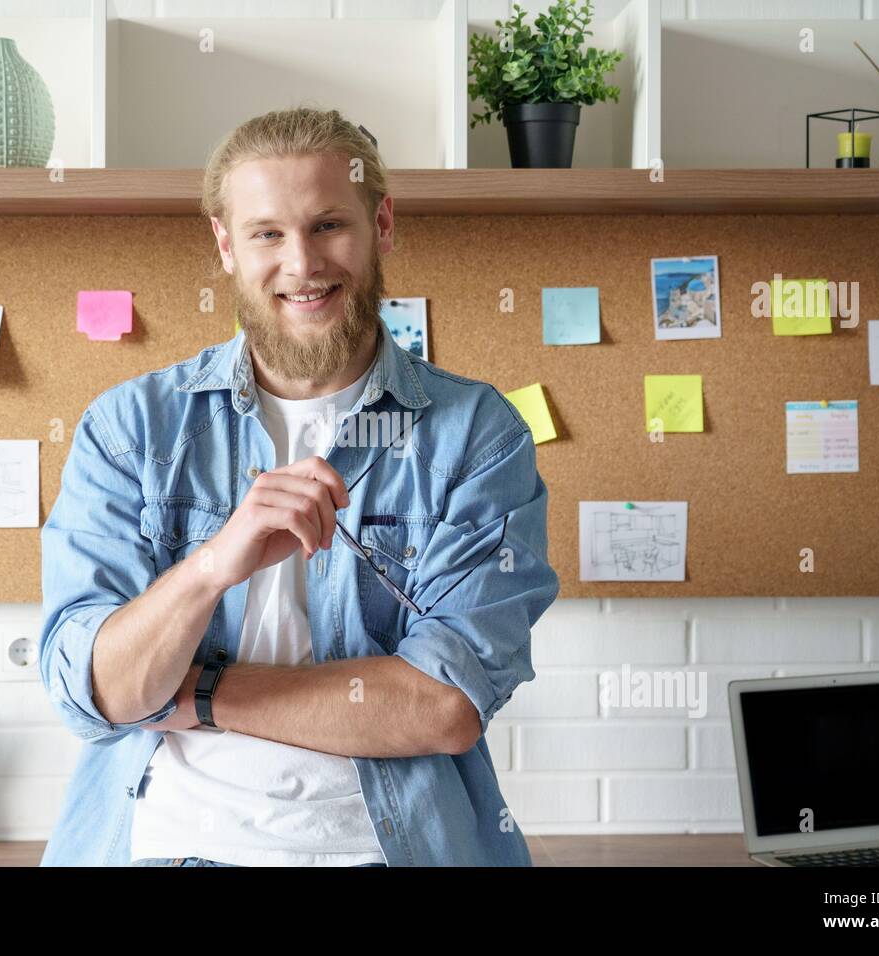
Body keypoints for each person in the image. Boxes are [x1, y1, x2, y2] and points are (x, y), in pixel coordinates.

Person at [37, 107, 560, 867]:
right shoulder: (130, 430)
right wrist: (217, 563)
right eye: (268, 234)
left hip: (385, 854)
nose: (302, 263)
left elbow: (444, 706)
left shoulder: (477, 435)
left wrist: (197, 696)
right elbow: (102, 693)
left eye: (327, 226)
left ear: (381, 223)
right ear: (225, 244)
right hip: (165, 849)